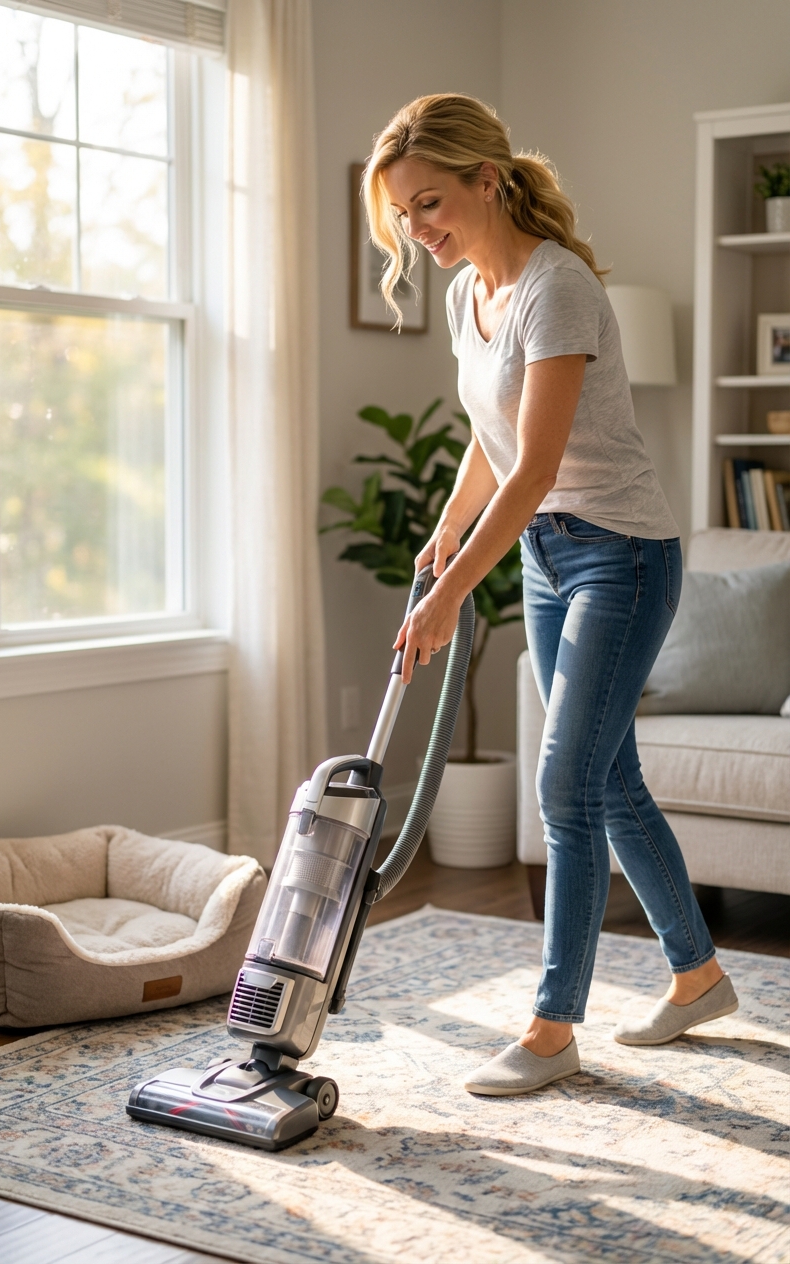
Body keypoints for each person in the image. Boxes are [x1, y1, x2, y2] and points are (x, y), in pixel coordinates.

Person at [362, 94, 738, 1097]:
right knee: (608, 781)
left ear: (488, 179)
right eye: (403, 213)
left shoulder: (554, 289)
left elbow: (535, 466)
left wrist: (450, 603)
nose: (418, 229)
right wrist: (445, 535)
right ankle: (697, 973)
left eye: (430, 202)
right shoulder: (463, 297)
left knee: (563, 787)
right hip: (540, 553)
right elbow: (488, 453)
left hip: (620, 551)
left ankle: (550, 1025)